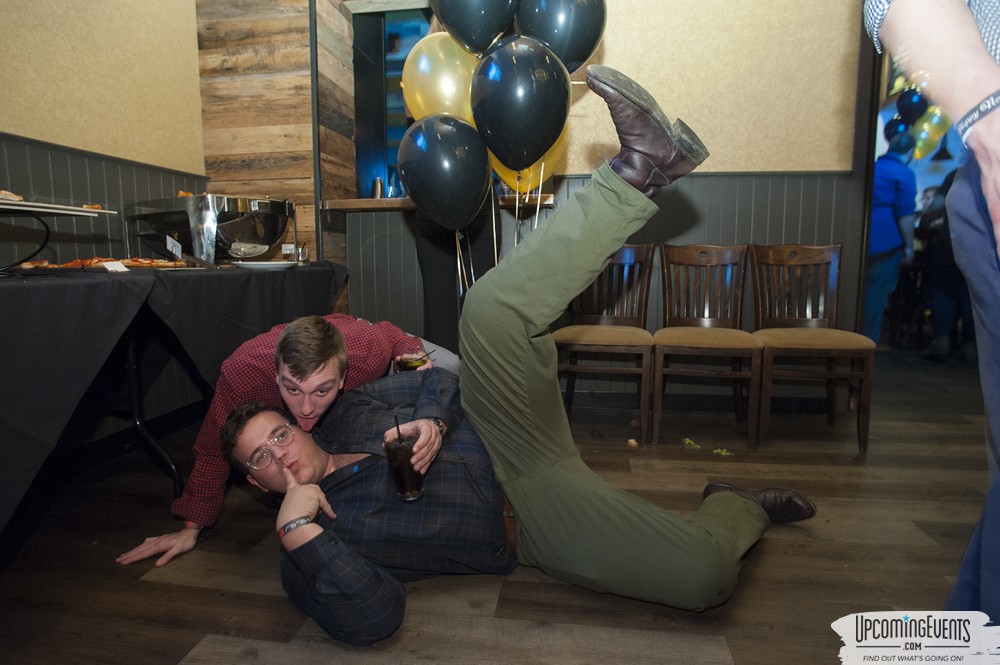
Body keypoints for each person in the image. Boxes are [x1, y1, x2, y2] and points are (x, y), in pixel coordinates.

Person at [222, 65, 818, 646]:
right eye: (260, 459)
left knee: (486, 309)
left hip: (501, 429)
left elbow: (437, 382)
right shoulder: (306, 549)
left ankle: (640, 170)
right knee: (702, 577)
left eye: (277, 434)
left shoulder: (347, 411)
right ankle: (734, 506)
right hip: (524, 516)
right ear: (254, 483)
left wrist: (431, 419)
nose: (280, 453)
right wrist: (301, 529)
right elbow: (376, 616)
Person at [117, 313, 455, 567]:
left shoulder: (365, 352)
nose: (305, 408)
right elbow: (212, 449)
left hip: (363, 342)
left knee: (452, 367)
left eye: (321, 391)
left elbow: (390, 332)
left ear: (342, 377)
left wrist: (415, 360)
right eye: (291, 389)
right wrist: (192, 527)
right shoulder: (244, 374)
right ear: (275, 373)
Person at [864, 0, 1000, 620]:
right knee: (876, 307)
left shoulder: (886, 167)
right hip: (893, 243)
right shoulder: (899, 174)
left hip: (885, 243)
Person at [915, 171, 976, 359]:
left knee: (943, 291)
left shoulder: (959, 173)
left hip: (949, 242)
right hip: (980, 249)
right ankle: (971, 346)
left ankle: (942, 341)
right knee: (973, 297)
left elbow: (937, 204)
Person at [863, 132, 918, 343]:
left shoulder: (873, 169)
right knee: (875, 300)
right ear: (911, 151)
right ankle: (868, 347)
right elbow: (905, 215)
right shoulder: (903, 173)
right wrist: (909, 247)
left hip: (862, 240)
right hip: (885, 243)